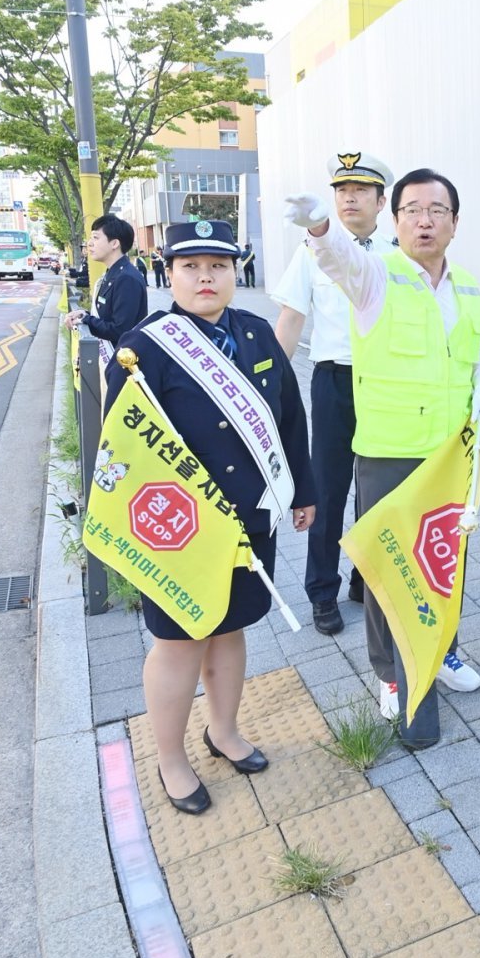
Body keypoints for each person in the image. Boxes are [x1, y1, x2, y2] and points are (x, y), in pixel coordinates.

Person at [105, 218, 317, 814]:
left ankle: (222, 731)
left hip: (249, 519)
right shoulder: (143, 347)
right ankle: (169, 759)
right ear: (167, 273)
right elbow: (122, 453)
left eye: (219, 266)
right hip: (181, 531)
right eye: (191, 267)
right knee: (178, 642)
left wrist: (304, 491)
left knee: (231, 627)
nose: (206, 277)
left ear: (235, 273)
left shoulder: (255, 333)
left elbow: (290, 419)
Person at [285, 168, 480, 719]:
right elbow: (337, 259)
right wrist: (319, 227)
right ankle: (390, 673)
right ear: (394, 220)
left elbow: (478, 350)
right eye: (413, 210)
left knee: (446, 561)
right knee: (387, 566)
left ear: (455, 221)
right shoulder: (375, 275)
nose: (425, 221)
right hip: (390, 453)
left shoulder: (468, 284)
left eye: (438, 210)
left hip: (452, 454)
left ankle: (443, 651)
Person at [273, 151, 394, 634]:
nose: (349, 198)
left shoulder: (396, 252)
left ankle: (365, 579)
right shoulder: (310, 249)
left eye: (361, 190)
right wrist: (273, 386)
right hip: (333, 383)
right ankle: (322, 590)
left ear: (381, 200)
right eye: (342, 191)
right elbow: (291, 318)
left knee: (379, 489)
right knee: (327, 489)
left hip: (386, 386)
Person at [63, 214, 148, 346]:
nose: (89, 243)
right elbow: (107, 316)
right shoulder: (114, 273)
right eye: (90, 238)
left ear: (114, 243)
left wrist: (87, 320)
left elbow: (120, 330)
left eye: (95, 238)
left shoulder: (126, 278)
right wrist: (84, 315)